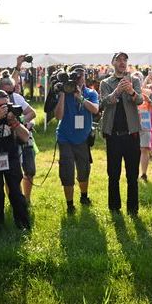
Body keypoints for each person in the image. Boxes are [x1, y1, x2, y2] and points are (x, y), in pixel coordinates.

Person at [100, 52, 143, 215]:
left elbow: (139, 100)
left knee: (132, 174)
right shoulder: (105, 82)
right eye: (118, 60)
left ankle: (133, 209)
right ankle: (114, 207)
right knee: (113, 173)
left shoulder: (135, 80)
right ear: (113, 63)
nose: (122, 62)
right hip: (113, 135)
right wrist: (117, 91)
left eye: (125, 60)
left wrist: (131, 90)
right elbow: (103, 103)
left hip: (132, 134)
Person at [54, 64, 99, 214]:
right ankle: (69, 204)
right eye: (76, 75)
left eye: (82, 74)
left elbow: (95, 109)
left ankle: (84, 196)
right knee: (67, 170)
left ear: (85, 76)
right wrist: (62, 94)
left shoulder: (90, 93)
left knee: (84, 169)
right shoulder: (64, 92)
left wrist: (79, 97)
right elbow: (58, 116)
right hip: (65, 137)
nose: (79, 78)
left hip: (83, 137)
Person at [0, 90, 31, 230]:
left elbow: (25, 137)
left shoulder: (12, 113)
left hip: (11, 157)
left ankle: (23, 223)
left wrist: (14, 122)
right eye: (0, 105)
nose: (4, 108)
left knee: (15, 192)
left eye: (6, 104)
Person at [0, 71, 37, 204]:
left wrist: (20, 120)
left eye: (11, 92)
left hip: (22, 137)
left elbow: (32, 113)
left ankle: (26, 200)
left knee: (29, 170)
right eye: (6, 92)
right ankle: (15, 201)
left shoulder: (17, 98)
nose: (9, 96)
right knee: (10, 175)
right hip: (4, 142)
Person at [133, 72, 152, 182]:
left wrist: (149, 100)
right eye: (135, 79)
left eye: (139, 79)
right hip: (132, 125)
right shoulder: (128, 92)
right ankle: (133, 172)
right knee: (132, 150)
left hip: (145, 125)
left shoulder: (148, 92)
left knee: (144, 149)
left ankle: (143, 174)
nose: (137, 80)